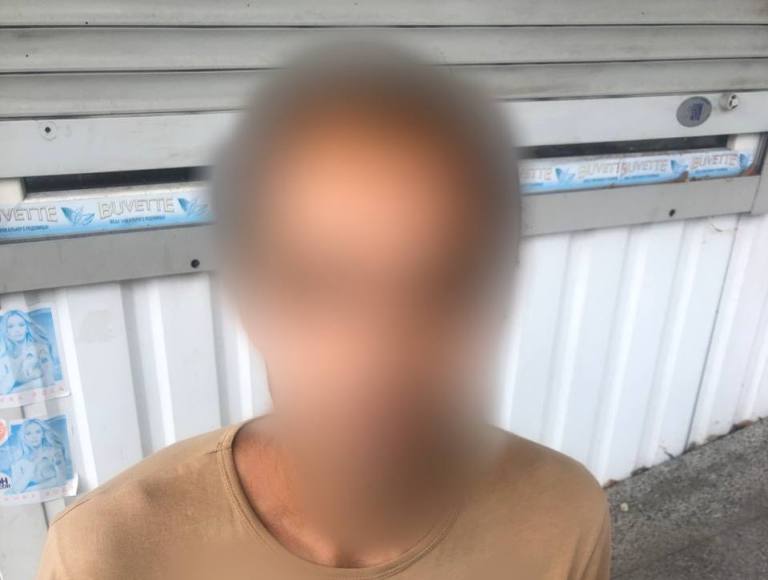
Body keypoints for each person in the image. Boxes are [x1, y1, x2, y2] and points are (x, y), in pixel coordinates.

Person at [37, 44, 610, 580]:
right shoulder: (108, 553)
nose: (376, 362)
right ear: (251, 297)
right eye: (316, 287)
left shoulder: (562, 520)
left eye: (446, 290)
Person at [0, 310, 57, 394]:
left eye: (21, 325)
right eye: (10, 326)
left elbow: (49, 380)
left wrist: (15, 390)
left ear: (27, 328)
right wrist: (19, 360)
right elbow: (2, 390)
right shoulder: (4, 359)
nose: (17, 330)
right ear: (6, 331)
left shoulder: (40, 348)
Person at [10, 418, 68, 493]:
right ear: (24, 437)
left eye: (38, 432)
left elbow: (62, 481)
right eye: (28, 433)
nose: (34, 437)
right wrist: (34, 463)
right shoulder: (20, 461)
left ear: (43, 434)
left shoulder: (54, 452)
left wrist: (28, 489)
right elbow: (16, 489)